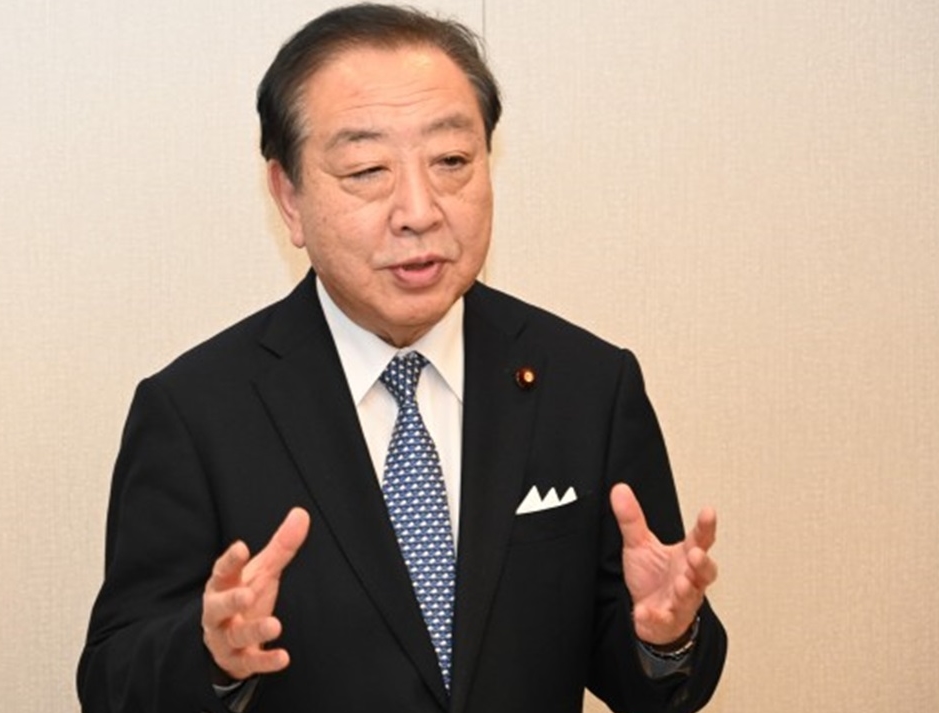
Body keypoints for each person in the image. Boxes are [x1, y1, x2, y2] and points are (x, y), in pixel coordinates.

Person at [77, 5, 726, 712]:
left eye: (452, 162)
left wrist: (666, 639)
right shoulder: (196, 412)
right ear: (289, 197)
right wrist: (211, 657)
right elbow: (112, 682)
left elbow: (653, 676)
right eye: (367, 169)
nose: (419, 210)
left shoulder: (588, 384)